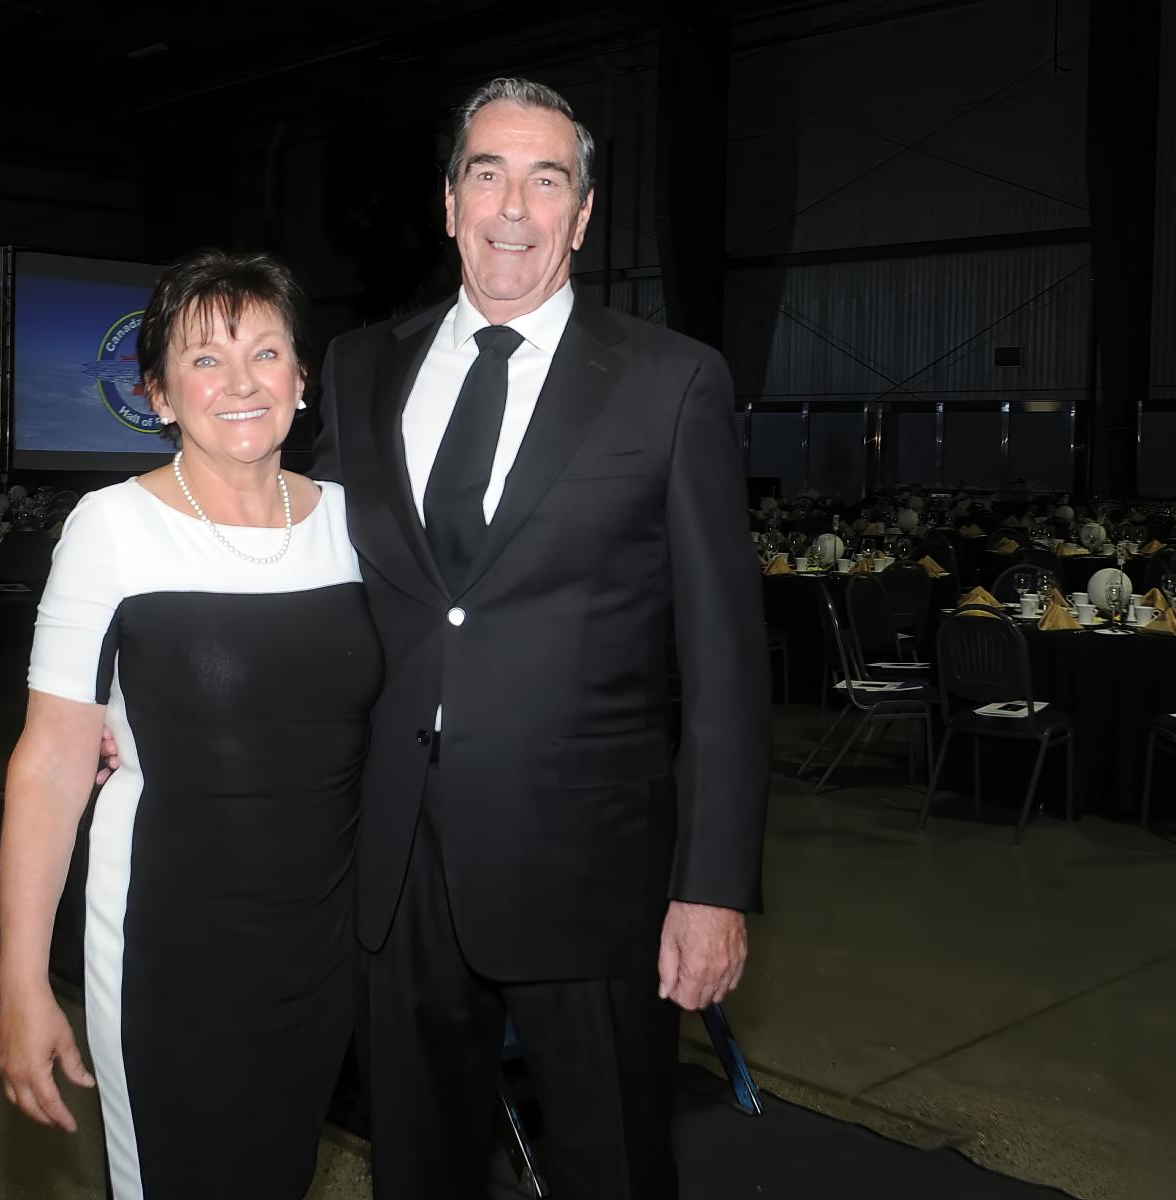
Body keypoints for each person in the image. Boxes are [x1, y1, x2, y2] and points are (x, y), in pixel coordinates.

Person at [311, 77, 770, 1198]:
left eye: (546, 179)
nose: (513, 206)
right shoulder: (361, 369)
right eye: (488, 173)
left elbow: (726, 662)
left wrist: (713, 887)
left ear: (584, 213)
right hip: (393, 870)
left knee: (614, 1167)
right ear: (449, 201)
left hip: (594, 880)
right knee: (415, 1170)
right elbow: (308, 589)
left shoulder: (672, 381)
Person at [0, 250, 381, 1198]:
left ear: (301, 378)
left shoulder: (355, 525)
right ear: (159, 395)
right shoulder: (111, 529)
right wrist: (21, 983)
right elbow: (51, 763)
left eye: (265, 352)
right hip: (173, 948)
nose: (241, 382)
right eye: (206, 359)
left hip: (325, 945)